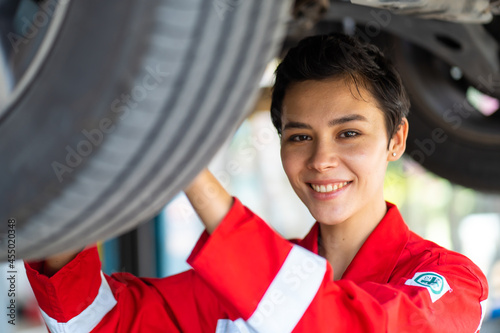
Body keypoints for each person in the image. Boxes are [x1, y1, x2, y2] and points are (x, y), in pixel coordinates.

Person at [25, 33, 488, 333]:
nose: (322, 160)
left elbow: (340, 322)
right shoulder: (244, 282)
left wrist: (183, 163)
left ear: (396, 140)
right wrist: (55, 179)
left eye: (349, 133)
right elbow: (100, 323)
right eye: (300, 136)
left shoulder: (451, 282)